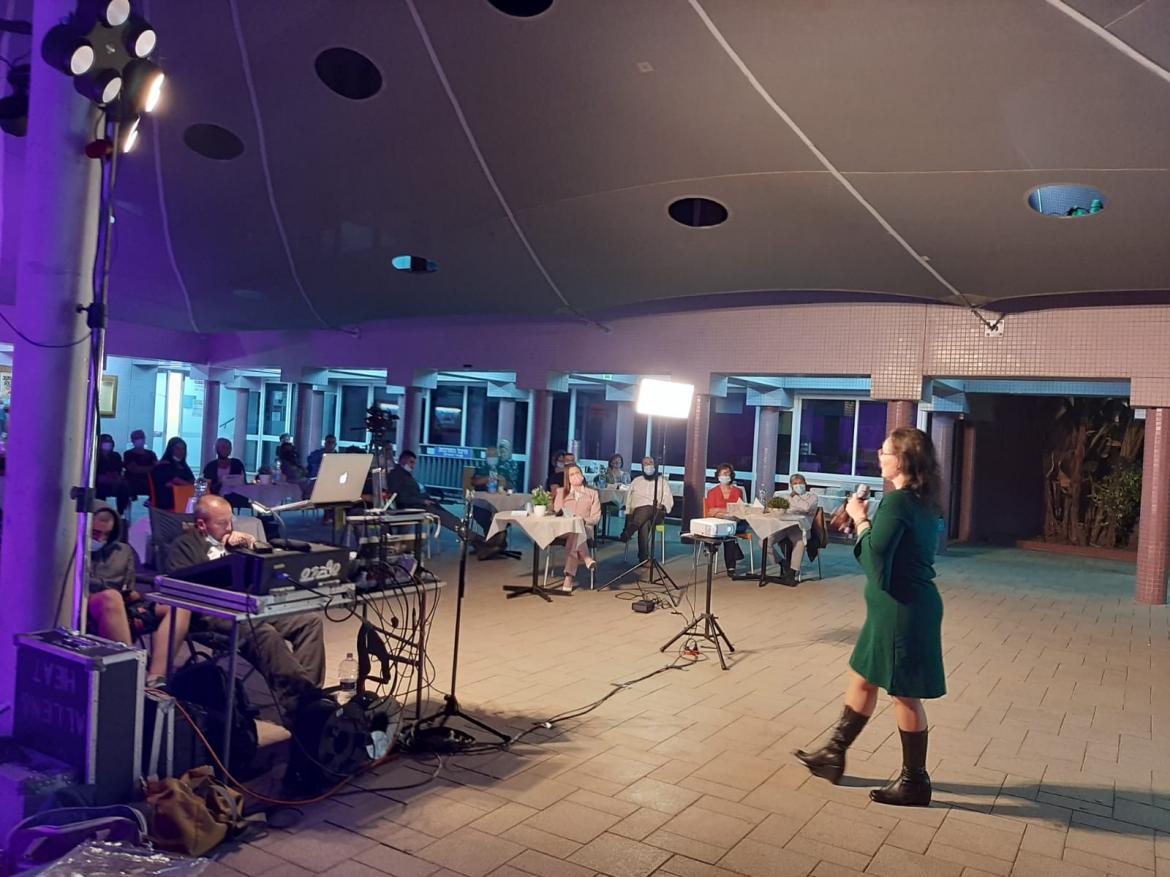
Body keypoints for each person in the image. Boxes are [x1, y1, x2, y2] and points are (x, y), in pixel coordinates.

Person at [794, 427, 945, 807]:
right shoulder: (918, 501)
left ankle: (915, 782)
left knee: (905, 695)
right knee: (862, 677)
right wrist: (864, 527)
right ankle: (833, 754)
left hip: (901, 611)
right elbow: (885, 548)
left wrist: (861, 519)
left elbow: (877, 565)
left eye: (885, 451)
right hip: (894, 609)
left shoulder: (897, 502)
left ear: (902, 460)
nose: (879, 455)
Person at [166, 496, 325, 726]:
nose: (229, 527)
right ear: (202, 524)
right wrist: (223, 558)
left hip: (252, 604)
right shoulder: (185, 546)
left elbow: (265, 570)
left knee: (309, 621)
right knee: (264, 633)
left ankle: (308, 703)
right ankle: (305, 702)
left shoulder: (234, 542)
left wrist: (252, 546)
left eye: (231, 521)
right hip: (213, 612)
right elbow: (184, 583)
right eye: (222, 523)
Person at [87, 501, 188, 688]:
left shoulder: (122, 551)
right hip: (88, 603)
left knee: (178, 606)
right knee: (111, 597)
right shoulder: (72, 550)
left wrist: (135, 595)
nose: (100, 539)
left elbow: (130, 587)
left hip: (123, 603)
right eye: (95, 533)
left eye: (106, 534)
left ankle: (155, 680)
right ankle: (133, 676)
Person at [387, 450, 505, 558]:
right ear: (403, 460)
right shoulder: (395, 475)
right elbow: (401, 497)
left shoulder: (405, 475)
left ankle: (479, 542)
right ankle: (481, 541)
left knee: (453, 519)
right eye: (411, 462)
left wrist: (428, 499)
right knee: (450, 521)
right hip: (414, 507)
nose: (413, 466)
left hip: (421, 504)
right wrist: (422, 501)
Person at [553, 463, 601, 592]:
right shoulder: (561, 492)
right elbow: (556, 511)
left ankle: (569, 576)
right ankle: (586, 558)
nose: (575, 476)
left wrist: (583, 520)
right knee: (574, 530)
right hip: (563, 529)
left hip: (585, 529)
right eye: (572, 474)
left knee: (576, 531)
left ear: (582, 474)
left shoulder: (593, 493)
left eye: (577, 473)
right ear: (567, 478)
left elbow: (596, 518)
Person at [620, 456, 673, 562]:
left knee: (649, 507)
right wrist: (628, 515)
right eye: (646, 463)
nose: (648, 465)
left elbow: (669, 499)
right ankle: (644, 559)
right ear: (642, 467)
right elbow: (628, 500)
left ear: (654, 465)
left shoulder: (662, 482)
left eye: (650, 463)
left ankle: (630, 530)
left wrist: (662, 505)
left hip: (657, 515)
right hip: (638, 515)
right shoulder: (636, 481)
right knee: (644, 523)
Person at [773, 473, 819, 583]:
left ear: (805, 483)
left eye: (800, 483)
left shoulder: (812, 497)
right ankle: (781, 562)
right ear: (791, 486)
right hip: (784, 527)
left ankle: (792, 572)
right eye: (795, 483)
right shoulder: (785, 497)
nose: (798, 485)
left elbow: (806, 507)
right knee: (764, 542)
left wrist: (795, 498)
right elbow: (778, 509)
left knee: (800, 542)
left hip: (802, 528)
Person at [704, 463, 747, 575]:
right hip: (720, 522)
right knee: (729, 533)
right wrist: (727, 512)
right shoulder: (712, 492)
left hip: (737, 522)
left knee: (728, 530)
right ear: (718, 476)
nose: (726, 475)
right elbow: (711, 512)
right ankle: (731, 567)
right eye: (723, 473)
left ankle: (713, 546)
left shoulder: (738, 491)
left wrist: (719, 509)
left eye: (728, 473)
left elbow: (739, 510)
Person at [151, 437, 194, 511]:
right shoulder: (163, 465)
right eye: (177, 448)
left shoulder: (184, 466)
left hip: (184, 497)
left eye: (183, 449)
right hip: (169, 501)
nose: (181, 451)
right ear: (171, 450)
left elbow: (192, 480)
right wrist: (183, 483)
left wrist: (182, 483)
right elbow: (166, 484)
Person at [95, 433, 131, 515]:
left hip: (113, 482)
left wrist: (114, 477)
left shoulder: (116, 456)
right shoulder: (95, 456)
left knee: (124, 487)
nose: (107, 445)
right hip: (98, 483)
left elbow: (118, 470)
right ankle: (99, 512)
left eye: (109, 442)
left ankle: (120, 513)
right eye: (104, 442)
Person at [123, 429, 157, 500]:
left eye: (140, 437)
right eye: (136, 438)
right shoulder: (128, 454)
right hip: (131, 484)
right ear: (132, 440)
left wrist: (142, 468)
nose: (139, 440)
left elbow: (155, 468)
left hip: (149, 484)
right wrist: (149, 468)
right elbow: (134, 470)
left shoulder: (151, 454)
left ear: (144, 439)